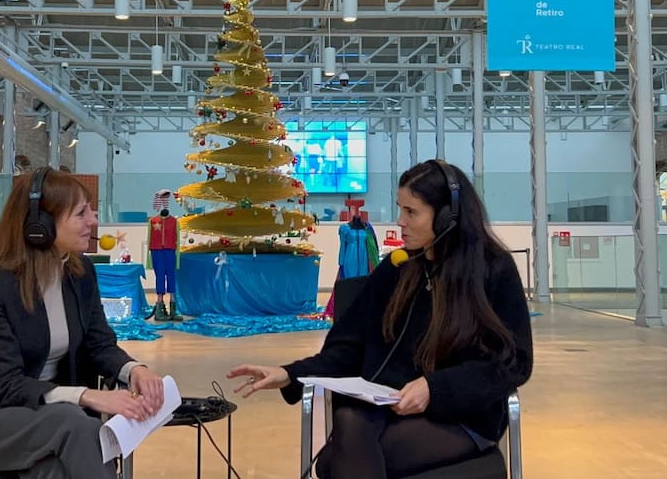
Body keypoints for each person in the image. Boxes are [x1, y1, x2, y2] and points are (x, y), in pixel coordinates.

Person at [227, 159, 533, 479]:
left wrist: (435, 388)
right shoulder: (397, 270)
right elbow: (348, 348)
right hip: (388, 409)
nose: (400, 222)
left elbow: (514, 363)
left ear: (446, 218)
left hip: (461, 416)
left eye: (411, 212)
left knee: (336, 463)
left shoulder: (493, 270)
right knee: (348, 422)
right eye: (400, 209)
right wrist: (288, 374)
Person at [0, 167, 167, 478]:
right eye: (81, 213)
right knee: (77, 426)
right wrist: (86, 395)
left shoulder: (80, 272)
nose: (94, 221)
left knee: (56, 468)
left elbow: (99, 344)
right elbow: (4, 385)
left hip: (45, 420)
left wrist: (134, 369)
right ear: (39, 225)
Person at [146, 207, 183, 321]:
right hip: (156, 251)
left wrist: (177, 256)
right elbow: (149, 239)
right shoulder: (153, 221)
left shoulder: (174, 221)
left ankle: (173, 306)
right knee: (160, 276)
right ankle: (159, 305)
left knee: (171, 276)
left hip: (170, 250)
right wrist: (149, 258)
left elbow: (177, 238)